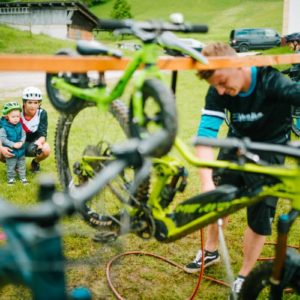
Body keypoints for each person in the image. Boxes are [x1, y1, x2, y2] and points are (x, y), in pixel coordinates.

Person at [184, 42, 300, 298]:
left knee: (260, 217)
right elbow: (205, 135)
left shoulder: (273, 82)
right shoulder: (218, 88)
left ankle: (244, 274)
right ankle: (211, 251)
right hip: (235, 144)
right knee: (219, 200)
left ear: (237, 65)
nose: (221, 91)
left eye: (224, 82)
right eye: (216, 86)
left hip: (271, 150)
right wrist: (206, 181)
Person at [20, 86, 50, 172]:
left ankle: (35, 163)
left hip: (32, 143)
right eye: (29, 102)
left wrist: (39, 143)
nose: (33, 106)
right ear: (24, 103)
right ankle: (14, 165)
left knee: (46, 149)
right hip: (18, 143)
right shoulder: (17, 112)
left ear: (39, 103)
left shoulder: (42, 113)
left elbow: (42, 134)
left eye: (35, 103)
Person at [0, 102, 28, 184]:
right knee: (11, 165)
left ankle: (23, 177)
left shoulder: (19, 125)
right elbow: (3, 139)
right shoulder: (3, 128)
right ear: (7, 116)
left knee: (22, 165)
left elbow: (23, 134)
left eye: (18, 116)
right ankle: (11, 178)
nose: (16, 119)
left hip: (21, 150)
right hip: (11, 151)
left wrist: (22, 142)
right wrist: (13, 144)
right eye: (13, 117)